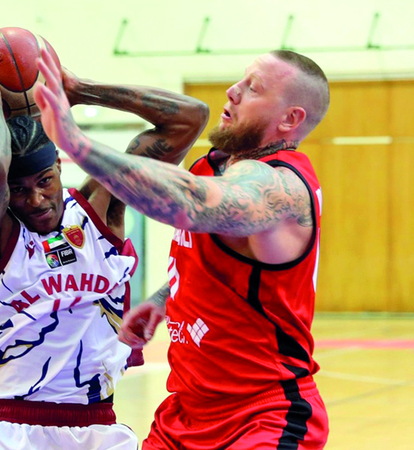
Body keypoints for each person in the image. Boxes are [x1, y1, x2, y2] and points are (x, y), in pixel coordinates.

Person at [34, 48, 329, 449]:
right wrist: (164, 298)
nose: (233, 91)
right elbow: (224, 259)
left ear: (290, 119)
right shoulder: (213, 166)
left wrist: (76, 142)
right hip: (185, 413)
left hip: (262, 417)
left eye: (254, 88)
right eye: (241, 79)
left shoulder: (282, 186)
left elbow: (191, 203)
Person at [0, 50, 208, 449]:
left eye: (45, 181)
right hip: (13, 428)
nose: (36, 199)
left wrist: (79, 90)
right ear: (3, 190)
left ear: (59, 166)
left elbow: (190, 118)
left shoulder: (101, 208)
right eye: (18, 190)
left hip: (98, 424)